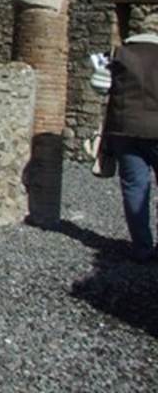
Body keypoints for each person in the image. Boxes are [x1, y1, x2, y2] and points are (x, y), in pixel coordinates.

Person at [92, 13, 158, 262]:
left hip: (123, 129)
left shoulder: (117, 54)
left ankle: (142, 248)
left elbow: (98, 85)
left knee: (134, 187)